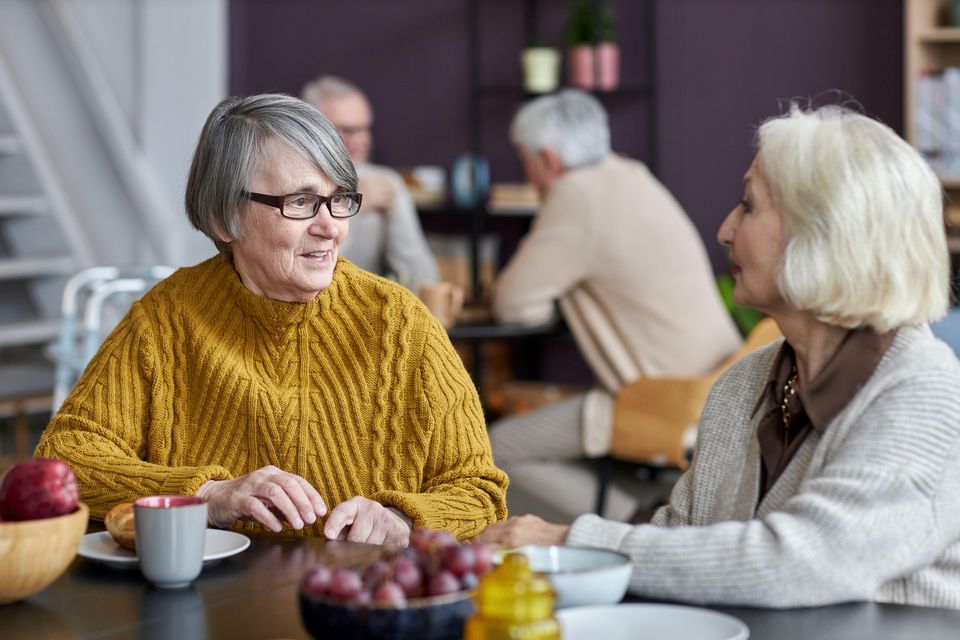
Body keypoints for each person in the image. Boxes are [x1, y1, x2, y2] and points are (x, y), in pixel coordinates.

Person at [478, 104, 960, 609]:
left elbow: (802, 564)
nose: (725, 230)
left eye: (748, 205)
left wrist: (570, 543)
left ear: (823, 232)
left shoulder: (923, 391)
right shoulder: (744, 384)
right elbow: (678, 538)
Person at [36, 94, 507, 546]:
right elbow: (64, 461)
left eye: (340, 198)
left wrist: (401, 520)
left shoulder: (400, 323)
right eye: (300, 202)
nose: (331, 226)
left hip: (358, 607)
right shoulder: (166, 319)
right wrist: (206, 495)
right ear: (225, 218)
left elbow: (478, 490)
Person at [488, 89, 742, 522]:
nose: (527, 174)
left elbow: (514, 305)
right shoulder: (630, 174)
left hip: (665, 397)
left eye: (524, 160)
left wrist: (557, 298)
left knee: (492, 454)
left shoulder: (576, 195)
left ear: (548, 160)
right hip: (719, 379)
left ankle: (639, 522)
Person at [302, 75, 439, 294]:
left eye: (365, 129)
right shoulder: (293, 186)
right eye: (347, 130)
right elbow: (308, 280)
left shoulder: (384, 182)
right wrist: (354, 207)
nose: (361, 140)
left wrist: (396, 210)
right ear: (312, 129)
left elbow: (424, 283)